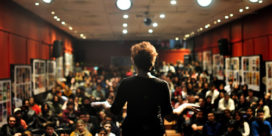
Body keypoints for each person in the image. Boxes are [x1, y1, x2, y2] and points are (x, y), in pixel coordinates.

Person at [110, 41, 198, 136]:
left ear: (133, 61)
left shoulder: (126, 83)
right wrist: (184, 106)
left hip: (132, 130)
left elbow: (114, 111)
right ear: (153, 61)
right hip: (154, 130)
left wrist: (104, 105)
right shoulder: (162, 85)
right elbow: (169, 117)